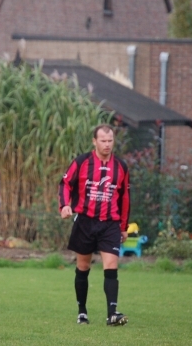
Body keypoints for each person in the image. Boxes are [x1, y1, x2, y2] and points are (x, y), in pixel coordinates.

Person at [58, 124, 130, 327]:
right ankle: (82, 312)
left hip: (110, 224)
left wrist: (123, 226)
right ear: (94, 141)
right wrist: (64, 205)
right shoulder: (82, 162)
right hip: (85, 222)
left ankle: (112, 314)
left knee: (111, 266)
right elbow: (65, 183)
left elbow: (125, 197)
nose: (107, 145)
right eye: (103, 141)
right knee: (83, 267)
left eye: (110, 141)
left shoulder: (121, 166)